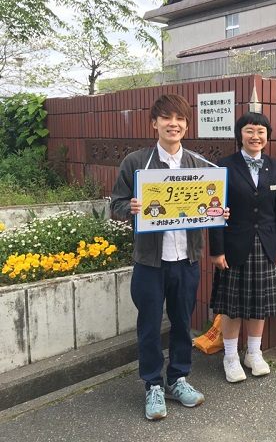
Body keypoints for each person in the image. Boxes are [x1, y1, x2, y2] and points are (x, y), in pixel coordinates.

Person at [111, 94, 226, 420]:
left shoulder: (199, 165)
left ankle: (178, 379)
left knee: (181, 322)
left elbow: (212, 207)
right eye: (166, 118)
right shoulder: (137, 163)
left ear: (187, 125)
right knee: (149, 325)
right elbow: (115, 205)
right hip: (150, 262)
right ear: (155, 123)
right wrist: (130, 208)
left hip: (186, 260)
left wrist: (219, 211)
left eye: (180, 119)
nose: (173, 124)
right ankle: (152, 385)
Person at [209, 112, 276, 383]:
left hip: (266, 244)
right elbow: (215, 211)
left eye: (261, 131)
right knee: (233, 306)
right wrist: (217, 250)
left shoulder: (275, 166)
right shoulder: (224, 166)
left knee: (259, 304)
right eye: (249, 131)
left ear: (267, 136)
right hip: (234, 245)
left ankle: (253, 353)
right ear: (239, 135)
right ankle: (230, 356)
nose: (256, 136)